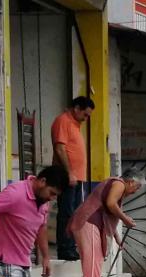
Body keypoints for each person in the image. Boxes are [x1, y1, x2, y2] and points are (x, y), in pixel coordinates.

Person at [67, 168, 141, 277]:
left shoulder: (116, 185)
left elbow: (108, 215)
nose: (135, 192)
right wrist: (125, 219)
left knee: (97, 260)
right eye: (137, 188)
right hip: (88, 222)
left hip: (92, 223)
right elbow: (110, 204)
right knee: (93, 260)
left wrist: (118, 238)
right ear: (131, 182)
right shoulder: (119, 184)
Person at [51, 96, 95, 261]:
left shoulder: (75, 125)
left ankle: (71, 246)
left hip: (77, 178)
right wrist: (69, 172)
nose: (86, 118)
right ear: (76, 108)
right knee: (67, 213)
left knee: (75, 213)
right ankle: (65, 248)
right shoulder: (63, 121)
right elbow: (60, 149)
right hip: (68, 176)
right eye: (85, 114)